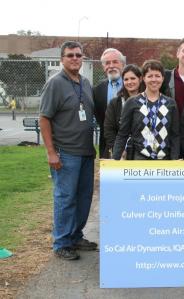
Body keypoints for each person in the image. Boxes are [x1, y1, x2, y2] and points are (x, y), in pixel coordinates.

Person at [39, 41, 97, 260]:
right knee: (65, 198)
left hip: (86, 152)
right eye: (70, 55)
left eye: (78, 55)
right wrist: (51, 152)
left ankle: (75, 236)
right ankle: (62, 243)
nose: (75, 58)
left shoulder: (85, 82)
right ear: (62, 58)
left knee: (83, 198)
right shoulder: (55, 83)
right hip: (65, 153)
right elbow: (44, 118)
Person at [112, 60, 179, 160]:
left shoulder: (170, 103)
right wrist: (114, 160)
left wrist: (174, 160)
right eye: (150, 76)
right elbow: (122, 134)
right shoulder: (132, 102)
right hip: (140, 160)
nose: (154, 79)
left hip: (165, 161)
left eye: (157, 76)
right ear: (143, 78)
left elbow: (175, 136)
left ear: (163, 78)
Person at [103, 64, 145, 158]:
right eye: (126, 79)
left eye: (133, 78)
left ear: (140, 79)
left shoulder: (149, 100)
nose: (129, 82)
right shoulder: (115, 103)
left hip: (144, 152)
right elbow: (109, 130)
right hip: (121, 153)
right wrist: (118, 149)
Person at [93, 48, 126, 158]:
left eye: (115, 62)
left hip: (133, 145)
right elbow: (100, 118)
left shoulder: (133, 84)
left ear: (123, 64)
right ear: (103, 67)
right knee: (111, 175)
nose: (111, 66)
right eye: (107, 63)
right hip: (108, 146)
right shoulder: (97, 90)